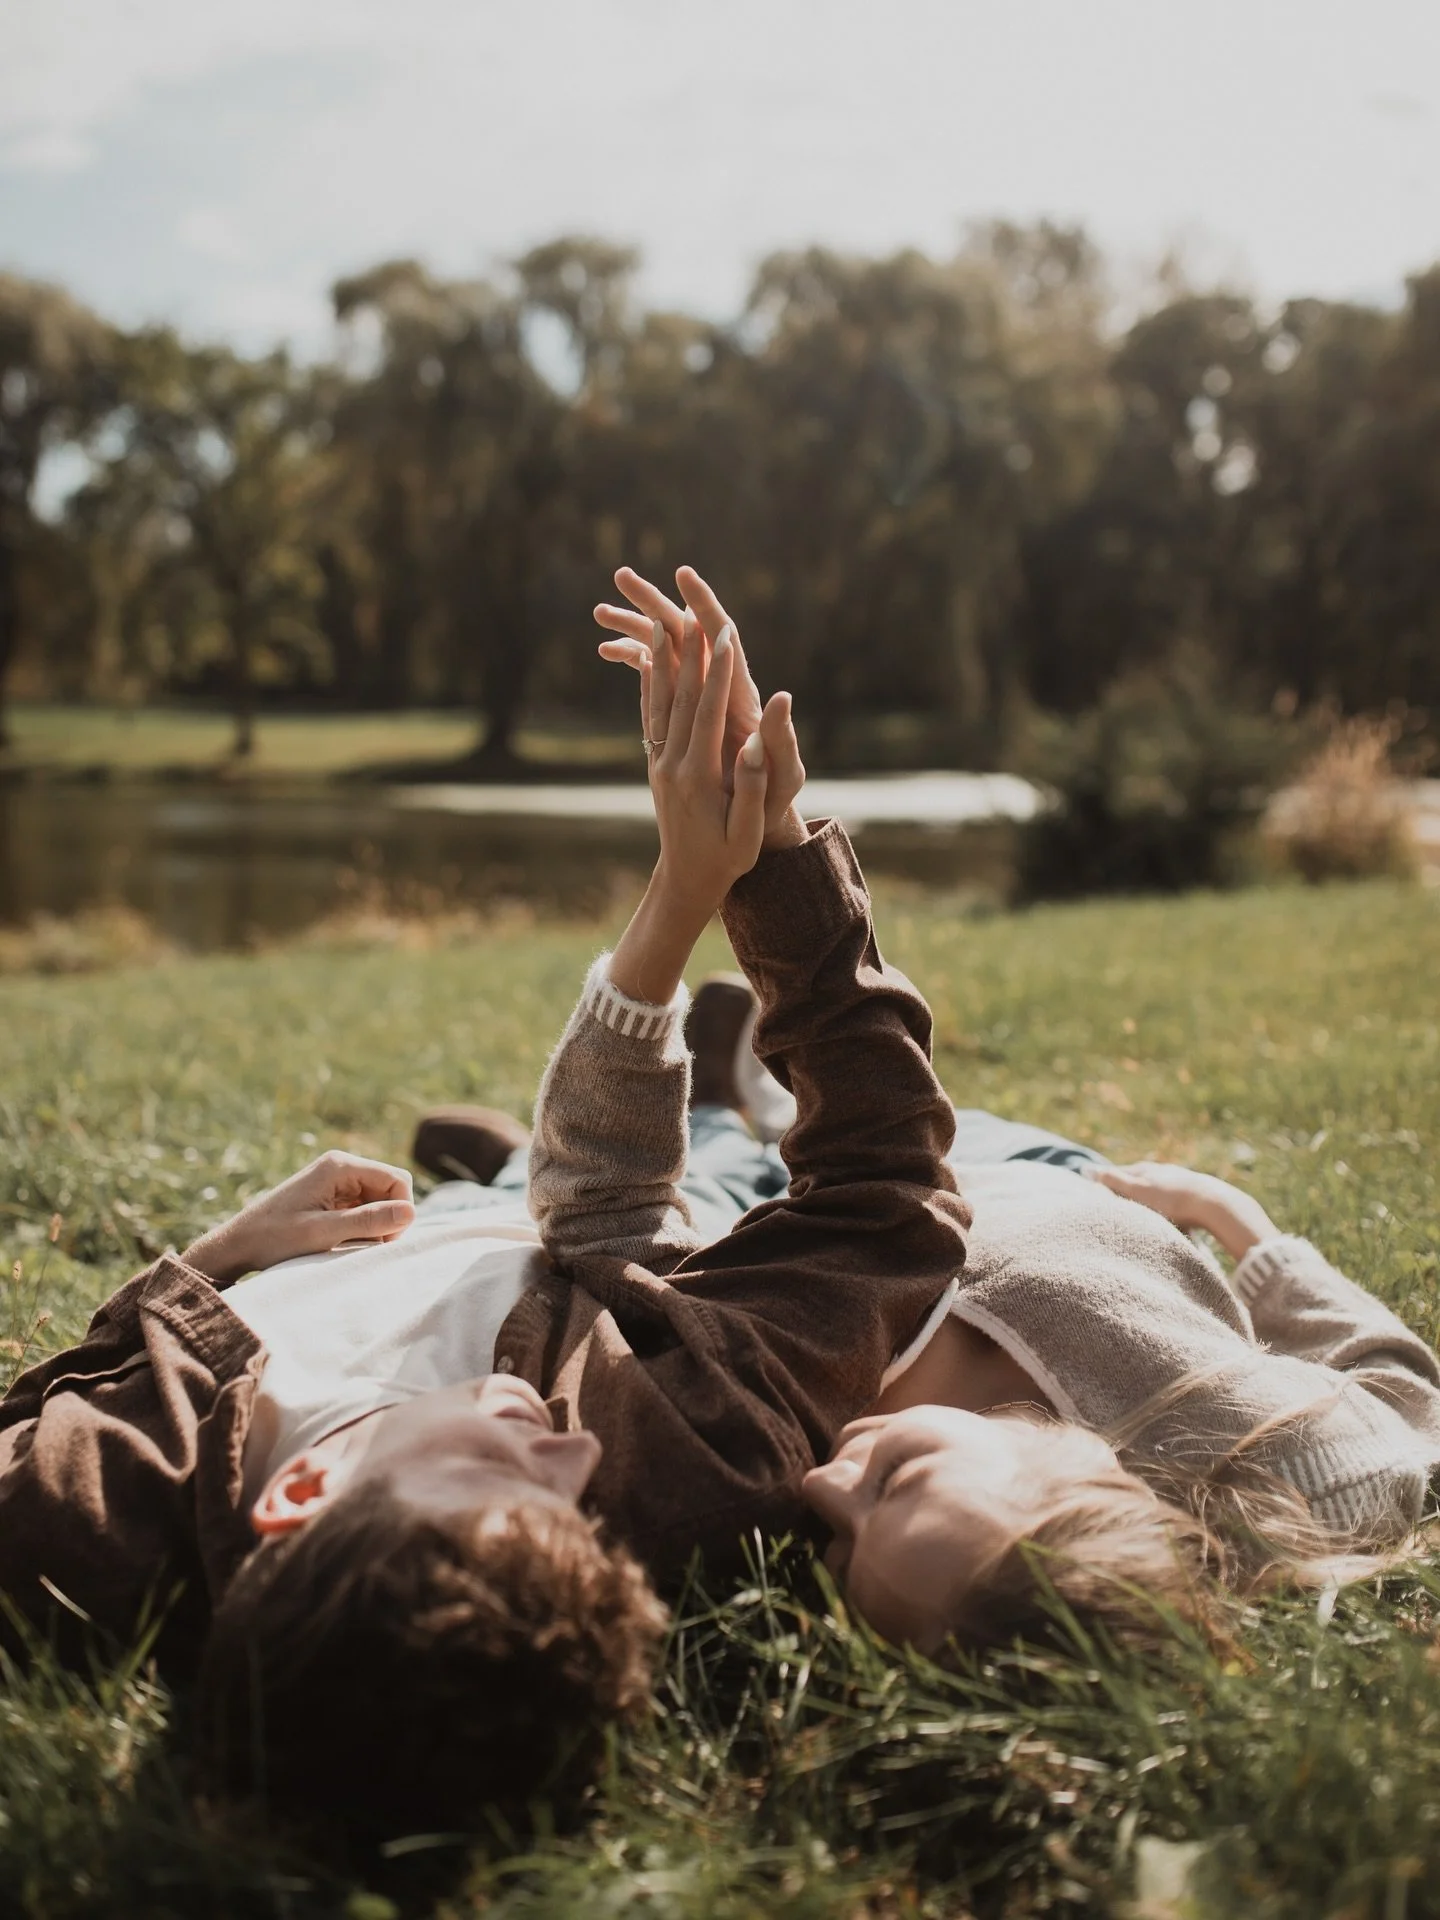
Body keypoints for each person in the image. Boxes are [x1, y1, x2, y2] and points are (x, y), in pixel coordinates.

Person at [0, 565, 970, 1849]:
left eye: (494, 1467)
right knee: (681, 1175)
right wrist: (767, 854)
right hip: (607, 1214)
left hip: (452, 1219)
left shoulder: (78, 1523)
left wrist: (215, 1262)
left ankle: (510, 1156)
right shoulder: (674, 1469)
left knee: (513, 1166)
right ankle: (628, 1129)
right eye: (580, 1499)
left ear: (296, 1502)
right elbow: (886, 1204)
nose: (565, 1452)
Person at [588, 567, 1440, 1660]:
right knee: (897, 1119)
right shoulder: (1296, 1472)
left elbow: (655, 1241)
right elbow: (1408, 1394)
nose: (831, 1492)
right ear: (1079, 1468)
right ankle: (750, 1086)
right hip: (1043, 1178)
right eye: (897, 1477)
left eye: (836, 1556)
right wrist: (1247, 1232)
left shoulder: (804, 1458)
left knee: (717, 1191)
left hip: (832, 1227)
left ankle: (708, 1103)